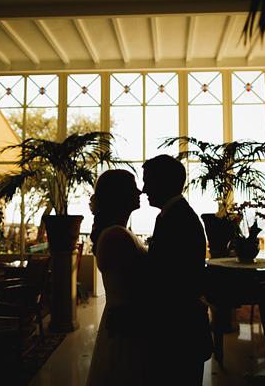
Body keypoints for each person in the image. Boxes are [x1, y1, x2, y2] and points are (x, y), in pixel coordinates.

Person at [142, 154, 213, 385]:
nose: (144, 189)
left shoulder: (178, 219)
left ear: (164, 183)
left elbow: (170, 281)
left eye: (148, 182)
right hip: (178, 330)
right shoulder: (171, 216)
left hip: (179, 333)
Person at [86, 169, 150, 386]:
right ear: (118, 194)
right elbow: (142, 285)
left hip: (126, 317)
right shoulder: (116, 235)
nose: (139, 191)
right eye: (133, 186)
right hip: (128, 321)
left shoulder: (119, 232)